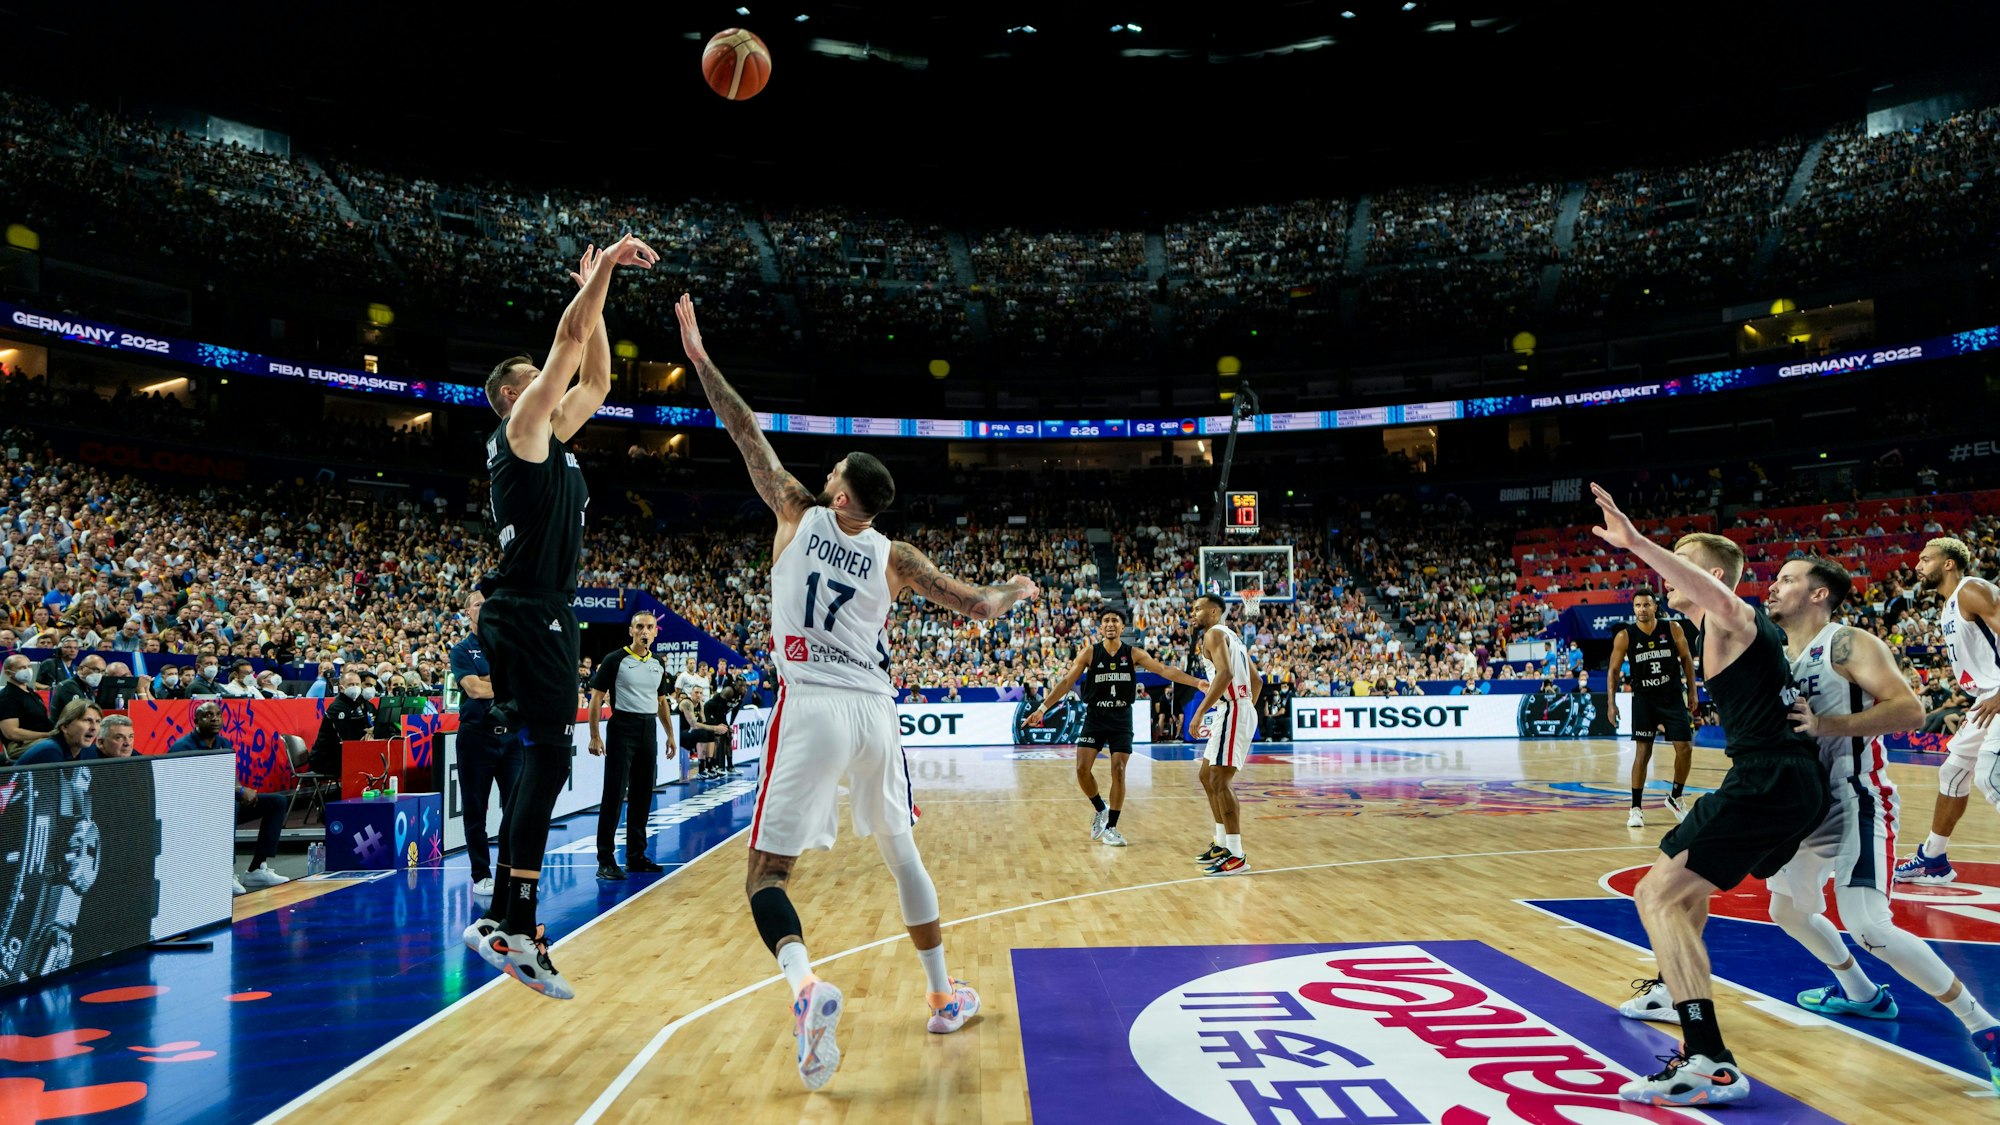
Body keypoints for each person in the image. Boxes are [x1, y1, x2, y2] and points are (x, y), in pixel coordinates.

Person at [678, 291, 1035, 1090]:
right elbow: (978, 607)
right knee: (901, 850)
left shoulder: (795, 510)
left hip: (811, 702)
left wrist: (700, 358)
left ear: (840, 497)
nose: (825, 473)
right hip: (876, 711)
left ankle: (806, 985)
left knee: (767, 874)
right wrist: (1013, 589)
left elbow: (742, 428)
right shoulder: (896, 556)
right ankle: (942, 995)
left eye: (834, 472)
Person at [1623, 556, 2000, 1084]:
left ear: (1818, 594)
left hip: (1857, 795)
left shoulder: (1848, 642)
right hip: (1803, 801)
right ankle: (1863, 994)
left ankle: (1984, 1027)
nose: (1774, 587)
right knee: (1787, 909)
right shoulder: (1779, 650)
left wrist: (1825, 724)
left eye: (1788, 580)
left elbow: (1910, 710)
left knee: (1868, 925)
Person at [1587, 484, 1828, 1106]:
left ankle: (1710, 1062)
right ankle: (1675, 989)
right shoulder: (1713, 632)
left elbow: (1722, 598)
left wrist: (1636, 542)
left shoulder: (1732, 617)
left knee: (1655, 895)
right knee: (1683, 885)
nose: (1666, 573)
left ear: (1711, 577)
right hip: (1777, 779)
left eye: (1679, 562)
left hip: (1771, 780)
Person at [468, 234, 656, 1002]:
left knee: (543, 759)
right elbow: (570, 344)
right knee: (548, 760)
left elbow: (599, 376)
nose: (554, 379)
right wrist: (603, 271)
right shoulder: (522, 426)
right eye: (537, 375)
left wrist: (596, 300)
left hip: (537, 610)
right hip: (529, 610)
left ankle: (503, 916)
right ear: (515, 394)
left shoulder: (552, 437)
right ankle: (516, 923)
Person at [1027, 608, 1206, 847]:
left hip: (1121, 717)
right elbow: (1067, 681)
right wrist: (1042, 709)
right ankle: (1100, 808)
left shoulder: (1133, 653)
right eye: (1106, 621)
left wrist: (1197, 682)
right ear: (1100, 627)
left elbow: (1164, 670)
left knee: (1119, 770)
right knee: (1081, 769)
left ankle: (1111, 827)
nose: (1111, 624)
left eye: (1115, 621)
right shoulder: (1090, 652)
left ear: (1122, 627)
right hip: (1096, 716)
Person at [1894, 537, 2000, 885]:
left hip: (1998, 694)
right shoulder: (1949, 605)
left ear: (1949, 563)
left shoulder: (1972, 590)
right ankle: (1933, 859)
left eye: (1926, 559)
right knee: (1953, 773)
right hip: (1985, 697)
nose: (1917, 566)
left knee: (1990, 775)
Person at [587, 611, 674, 881]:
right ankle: (605, 860)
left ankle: (636, 856)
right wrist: (594, 735)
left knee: (642, 795)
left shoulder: (658, 662)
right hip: (622, 727)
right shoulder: (615, 660)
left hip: (648, 728)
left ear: (656, 632)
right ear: (631, 631)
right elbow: (596, 698)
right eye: (639, 627)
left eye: (649, 627)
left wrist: (670, 735)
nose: (644, 631)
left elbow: (661, 701)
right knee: (614, 795)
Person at [172, 702, 289, 893]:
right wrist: (238, 792)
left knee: (277, 802)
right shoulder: (182, 748)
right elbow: (187, 789)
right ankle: (225, 872)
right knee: (228, 806)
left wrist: (241, 791)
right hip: (193, 810)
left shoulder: (223, 743)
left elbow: (230, 778)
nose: (215, 719)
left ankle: (257, 869)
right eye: (208, 715)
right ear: (196, 721)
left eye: (218, 715)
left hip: (221, 802)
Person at [1607, 588, 1699, 827]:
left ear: (1655, 607)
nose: (1642, 609)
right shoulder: (1625, 636)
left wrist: (1692, 690)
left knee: (1685, 748)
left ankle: (1675, 797)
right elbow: (1613, 671)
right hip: (1644, 700)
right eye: (1638, 605)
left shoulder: (1672, 628)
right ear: (1633, 609)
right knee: (1643, 752)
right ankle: (1636, 808)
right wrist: (1611, 703)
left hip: (1672, 697)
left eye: (1646, 605)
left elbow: (1686, 659)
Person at [451, 591, 520, 897]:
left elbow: (522, 683)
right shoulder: (462, 650)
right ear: (468, 612)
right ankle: (481, 874)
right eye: (478, 604)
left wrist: (490, 681)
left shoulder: (508, 645)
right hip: (476, 737)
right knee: (475, 810)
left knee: (516, 808)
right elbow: (475, 690)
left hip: (511, 738)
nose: (485, 608)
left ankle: (513, 873)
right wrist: (504, 683)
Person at [1189, 594, 1260, 877]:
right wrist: (1245, 709)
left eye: (1198, 608)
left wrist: (1200, 712)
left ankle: (1236, 855)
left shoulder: (1214, 634)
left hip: (1232, 709)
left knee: (1219, 780)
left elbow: (1226, 673)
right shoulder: (1234, 638)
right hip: (1234, 709)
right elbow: (1257, 681)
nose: (1193, 613)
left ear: (1214, 612)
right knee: (1206, 776)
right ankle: (1221, 843)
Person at [310, 670, 375, 784]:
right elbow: (347, 736)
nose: (355, 687)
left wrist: (372, 732)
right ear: (341, 688)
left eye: (357, 684)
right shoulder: (337, 707)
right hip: (326, 758)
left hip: (345, 754)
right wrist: (365, 733)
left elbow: (373, 725)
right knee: (366, 762)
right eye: (351, 684)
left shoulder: (362, 703)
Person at [0, 652, 55, 759]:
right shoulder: (6, 697)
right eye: (21, 668)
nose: (28, 670)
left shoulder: (31, 693)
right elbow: (11, 733)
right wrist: (46, 735)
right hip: (19, 745)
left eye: (29, 666)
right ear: (8, 673)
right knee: (57, 745)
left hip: (42, 739)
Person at [13, 698, 102, 765]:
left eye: (98, 721)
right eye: (87, 720)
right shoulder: (49, 752)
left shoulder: (88, 751)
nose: (94, 727)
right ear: (65, 727)